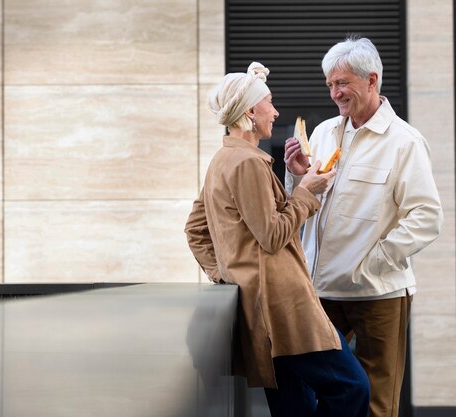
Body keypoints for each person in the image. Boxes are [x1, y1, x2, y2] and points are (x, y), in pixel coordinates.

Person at [185, 62, 369, 417]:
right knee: (352, 387)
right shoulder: (248, 163)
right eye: (269, 102)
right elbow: (271, 236)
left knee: (293, 405)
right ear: (251, 112)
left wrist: (226, 272)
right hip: (283, 307)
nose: (276, 111)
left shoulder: (223, 160)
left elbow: (195, 229)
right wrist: (309, 191)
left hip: (261, 308)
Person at [284, 36, 443, 417]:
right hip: (319, 291)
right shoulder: (322, 133)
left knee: (376, 401)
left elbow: (426, 216)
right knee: (317, 391)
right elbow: (307, 205)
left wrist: (373, 261)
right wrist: (295, 179)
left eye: (343, 83)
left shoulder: (405, 142)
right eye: (330, 85)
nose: (335, 93)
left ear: (372, 80)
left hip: (377, 294)